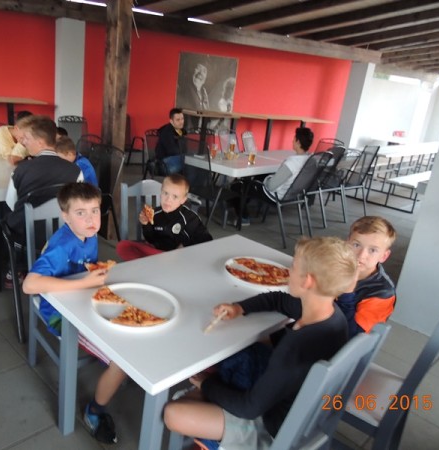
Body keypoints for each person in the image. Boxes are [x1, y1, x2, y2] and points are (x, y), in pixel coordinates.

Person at [163, 236, 357, 450]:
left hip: (274, 430)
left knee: (173, 413)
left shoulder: (294, 349)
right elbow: (278, 300)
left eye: (293, 266)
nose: (289, 271)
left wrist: (206, 384)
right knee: (242, 353)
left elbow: (248, 408)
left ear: (307, 281)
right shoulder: (333, 315)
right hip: (300, 408)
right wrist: (239, 308)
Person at [22, 182, 126, 444]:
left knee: (129, 318)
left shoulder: (88, 234)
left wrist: (93, 274)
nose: (91, 220)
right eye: (81, 213)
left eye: (95, 211)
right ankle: (94, 410)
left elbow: (83, 267)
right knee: (123, 360)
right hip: (58, 313)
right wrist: (84, 284)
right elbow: (29, 285)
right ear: (65, 216)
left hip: (82, 301)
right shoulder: (63, 246)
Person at [4, 115, 83, 243]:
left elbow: (11, 204)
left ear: (40, 142)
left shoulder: (21, 170)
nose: (24, 142)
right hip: (63, 230)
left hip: (25, 233)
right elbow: (78, 203)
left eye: (27, 138)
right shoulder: (76, 170)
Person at [116, 173, 212, 261]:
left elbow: (206, 239)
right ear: (161, 192)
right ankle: (155, 262)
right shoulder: (155, 213)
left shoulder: (190, 218)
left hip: (179, 258)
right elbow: (150, 239)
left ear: (183, 200)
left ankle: (151, 263)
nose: (168, 200)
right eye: (165, 193)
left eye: (175, 197)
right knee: (123, 246)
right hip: (156, 252)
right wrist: (146, 224)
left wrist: (184, 246)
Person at [232, 127, 314, 225]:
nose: (292, 141)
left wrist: (267, 179)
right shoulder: (310, 160)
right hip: (293, 194)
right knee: (259, 176)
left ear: (298, 142)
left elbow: (271, 186)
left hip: (275, 196)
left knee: (238, 186)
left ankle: (243, 218)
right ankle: (244, 201)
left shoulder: (291, 163)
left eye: (294, 139)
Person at [337, 216, 397, 337]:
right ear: (347, 243)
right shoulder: (336, 264)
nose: (361, 255)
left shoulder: (382, 292)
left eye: (372, 250)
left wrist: (346, 295)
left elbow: (353, 336)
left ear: (384, 256)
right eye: (356, 245)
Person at [155, 108, 187, 175]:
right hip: (164, 163)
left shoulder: (181, 131)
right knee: (190, 162)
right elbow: (172, 151)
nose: (181, 122)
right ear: (171, 121)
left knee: (194, 163)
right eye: (178, 120)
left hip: (177, 159)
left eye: (182, 119)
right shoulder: (166, 132)